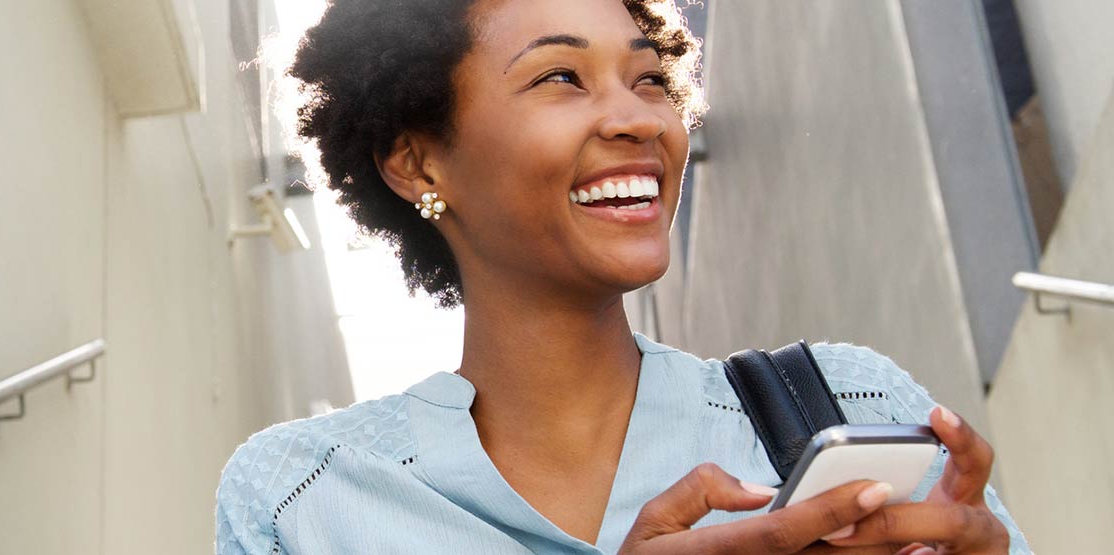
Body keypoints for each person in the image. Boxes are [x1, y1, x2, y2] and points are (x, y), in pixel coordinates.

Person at [215, 0, 1031, 553]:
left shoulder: (848, 403)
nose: (640, 119)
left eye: (648, 79)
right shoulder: (301, 499)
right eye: (560, 77)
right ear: (418, 160)